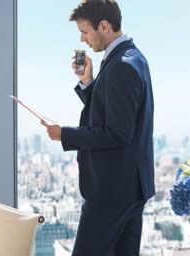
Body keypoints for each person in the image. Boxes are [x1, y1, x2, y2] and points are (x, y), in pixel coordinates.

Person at [41, 1, 154, 255]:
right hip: (128, 187)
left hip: (112, 191)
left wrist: (64, 134)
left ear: (104, 26)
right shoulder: (129, 59)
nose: (83, 40)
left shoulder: (122, 65)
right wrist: (87, 81)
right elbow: (111, 115)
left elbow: (117, 133)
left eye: (84, 31)